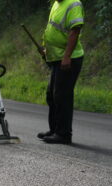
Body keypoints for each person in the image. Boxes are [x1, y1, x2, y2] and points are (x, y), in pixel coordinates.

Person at [38, 0, 84, 144]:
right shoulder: (56, 4)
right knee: (52, 95)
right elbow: (55, 30)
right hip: (56, 57)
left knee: (62, 96)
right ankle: (55, 130)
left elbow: (75, 31)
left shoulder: (74, 3)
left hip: (68, 58)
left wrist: (67, 56)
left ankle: (64, 134)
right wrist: (47, 50)